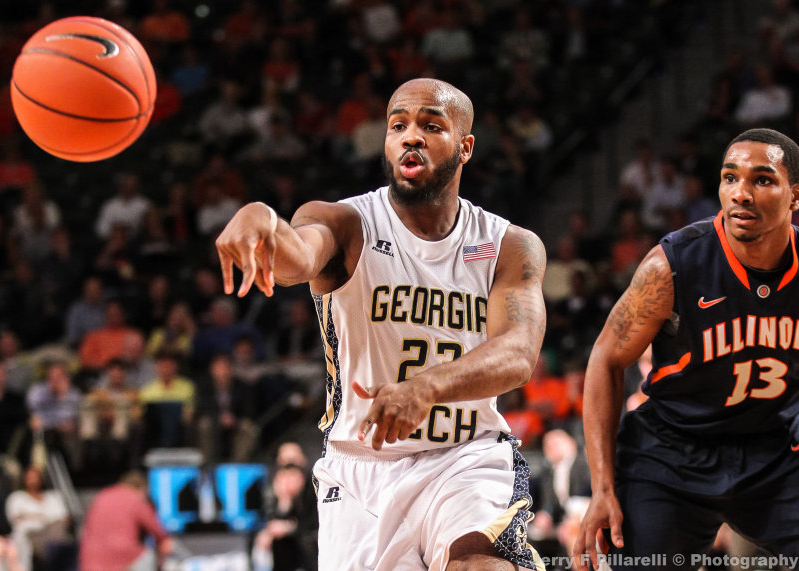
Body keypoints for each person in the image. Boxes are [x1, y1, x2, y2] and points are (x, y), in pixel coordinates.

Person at [216, 78, 547, 570]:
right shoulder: (347, 222)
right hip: (360, 470)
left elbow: (518, 353)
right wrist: (261, 220)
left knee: (482, 564)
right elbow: (297, 258)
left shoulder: (507, 245)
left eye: (430, 125)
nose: (410, 136)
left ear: (465, 147)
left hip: (465, 457)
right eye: (398, 125)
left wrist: (426, 387)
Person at [573, 128, 799, 570]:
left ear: (795, 197)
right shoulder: (672, 265)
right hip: (672, 451)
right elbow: (606, 359)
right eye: (730, 178)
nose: (741, 194)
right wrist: (602, 487)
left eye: (763, 180)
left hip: (772, 448)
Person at [79, 470, 173, 571]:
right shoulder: (134, 499)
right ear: (142, 488)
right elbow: (158, 531)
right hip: (123, 556)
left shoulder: (102, 495)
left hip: (90, 558)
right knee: (148, 556)